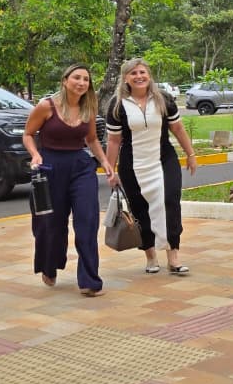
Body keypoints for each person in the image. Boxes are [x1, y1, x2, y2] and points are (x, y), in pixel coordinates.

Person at [23, 63, 117, 297]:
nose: (82, 83)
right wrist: (35, 154)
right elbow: (28, 134)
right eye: (77, 77)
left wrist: (104, 161)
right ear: (65, 80)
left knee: (87, 222)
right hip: (50, 167)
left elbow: (92, 139)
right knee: (51, 224)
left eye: (86, 79)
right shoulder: (46, 106)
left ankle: (89, 281)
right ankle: (49, 265)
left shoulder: (88, 108)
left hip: (81, 168)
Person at [105, 59, 198, 275]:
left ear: (149, 75)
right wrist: (110, 169)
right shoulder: (118, 105)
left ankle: (173, 257)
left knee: (170, 203)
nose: (139, 76)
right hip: (133, 166)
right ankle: (150, 256)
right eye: (133, 73)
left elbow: (177, 128)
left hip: (164, 160)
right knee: (140, 209)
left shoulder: (163, 99)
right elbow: (113, 141)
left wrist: (191, 154)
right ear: (125, 78)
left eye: (142, 72)